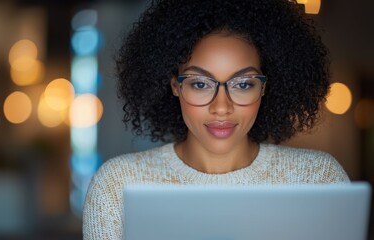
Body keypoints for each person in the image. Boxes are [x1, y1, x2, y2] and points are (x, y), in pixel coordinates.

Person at [83, 0, 350, 239]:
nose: (221, 107)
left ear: (265, 88)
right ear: (175, 85)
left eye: (243, 84)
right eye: (200, 84)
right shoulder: (118, 185)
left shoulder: (318, 179)